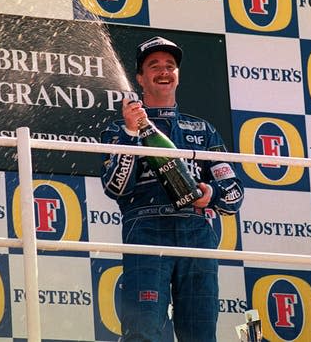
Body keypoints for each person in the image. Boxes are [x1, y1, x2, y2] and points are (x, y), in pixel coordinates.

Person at [101, 36, 244, 342]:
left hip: (197, 234)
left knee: (201, 335)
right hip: (146, 232)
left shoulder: (203, 131)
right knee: (144, 332)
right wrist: (130, 133)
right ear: (140, 78)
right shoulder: (119, 129)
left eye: (170, 66)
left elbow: (234, 194)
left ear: (177, 75)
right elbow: (116, 187)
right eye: (154, 66)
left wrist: (211, 195)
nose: (163, 71)